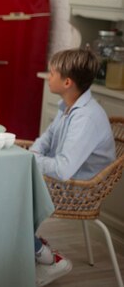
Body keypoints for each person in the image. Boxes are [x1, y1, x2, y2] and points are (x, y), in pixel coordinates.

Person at [30, 48, 116, 286]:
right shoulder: (66, 106)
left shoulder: (85, 118)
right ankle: (33, 247)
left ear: (67, 82)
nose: (48, 76)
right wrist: (34, 153)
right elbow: (45, 139)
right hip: (62, 181)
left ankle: (49, 259)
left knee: (8, 199)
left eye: (52, 72)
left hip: (79, 190)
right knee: (7, 188)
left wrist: (30, 159)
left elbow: (63, 169)